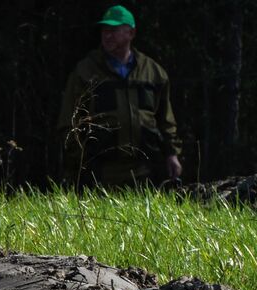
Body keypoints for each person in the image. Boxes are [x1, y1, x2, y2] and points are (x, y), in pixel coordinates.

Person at [57, 5, 183, 188]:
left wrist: (172, 154)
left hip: (144, 173)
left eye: (113, 30)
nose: (107, 35)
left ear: (131, 33)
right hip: (99, 174)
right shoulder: (85, 72)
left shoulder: (153, 72)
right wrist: (78, 161)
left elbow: (166, 120)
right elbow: (68, 122)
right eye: (104, 30)